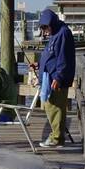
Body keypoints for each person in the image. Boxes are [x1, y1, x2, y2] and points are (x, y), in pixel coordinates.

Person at [33, 8, 75, 148]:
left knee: (55, 107)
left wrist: (58, 77)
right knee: (50, 106)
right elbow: (51, 55)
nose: (44, 31)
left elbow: (63, 59)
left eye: (46, 27)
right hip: (49, 76)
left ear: (51, 23)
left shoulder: (62, 33)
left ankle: (56, 138)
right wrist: (39, 64)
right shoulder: (55, 33)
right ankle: (57, 136)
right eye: (43, 28)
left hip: (56, 78)